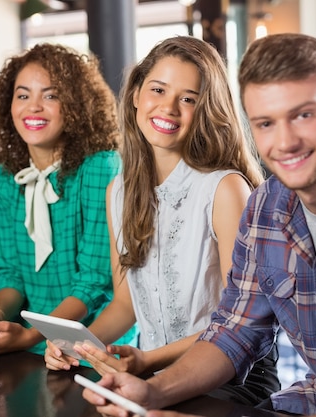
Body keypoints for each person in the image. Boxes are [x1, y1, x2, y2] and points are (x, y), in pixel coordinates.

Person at [82, 33, 316, 417]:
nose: (285, 141)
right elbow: (234, 332)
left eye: (303, 115)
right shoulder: (266, 207)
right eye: (265, 123)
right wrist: (152, 393)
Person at [44, 35, 279, 405]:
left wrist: (147, 361)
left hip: (230, 379)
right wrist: (79, 344)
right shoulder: (117, 191)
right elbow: (125, 304)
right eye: (158, 89)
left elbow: (238, 325)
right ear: (136, 94)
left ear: (206, 110)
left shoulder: (226, 188)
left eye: (188, 98)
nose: (169, 107)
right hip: (151, 372)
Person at [0, 43, 137, 356]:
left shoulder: (101, 168)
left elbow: (93, 283)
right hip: (32, 347)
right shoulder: (6, 179)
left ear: (75, 105)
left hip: (96, 346)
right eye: (23, 95)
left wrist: (30, 335)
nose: (33, 107)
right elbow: (11, 276)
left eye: (50, 95)